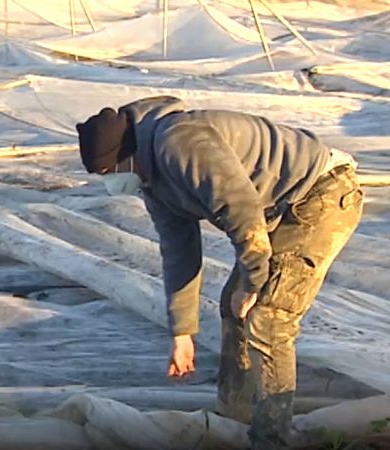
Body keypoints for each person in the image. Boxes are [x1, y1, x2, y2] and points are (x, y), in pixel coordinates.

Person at [75, 96, 363, 450]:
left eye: (108, 175)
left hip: (320, 191)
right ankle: (234, 421)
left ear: (125, 159)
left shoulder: (180, 142)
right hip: (275, 210)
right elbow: (179, 252)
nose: (110, 185)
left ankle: (272, 440)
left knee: (269, 317)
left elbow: (241, 212)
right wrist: (183, 332)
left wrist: (254, 282)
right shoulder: (153, 183)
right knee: (233, 305)